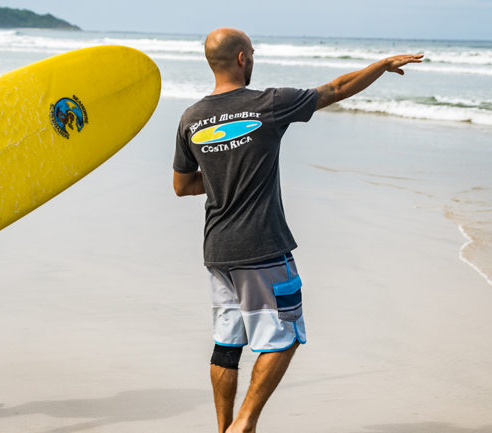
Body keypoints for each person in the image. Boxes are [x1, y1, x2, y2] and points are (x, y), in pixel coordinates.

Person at [172, 28, 422, 433]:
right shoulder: (267, 104)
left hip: (217, 251)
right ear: (241, 59)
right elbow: (335, 89)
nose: (254, 58)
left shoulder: (191, 117)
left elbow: (182, 185)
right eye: (252, 52)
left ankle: (223, 429)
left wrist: (222, 175)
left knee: (227, 344)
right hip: (262, 248)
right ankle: (245, 424)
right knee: (285, 337)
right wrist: (381, 64)